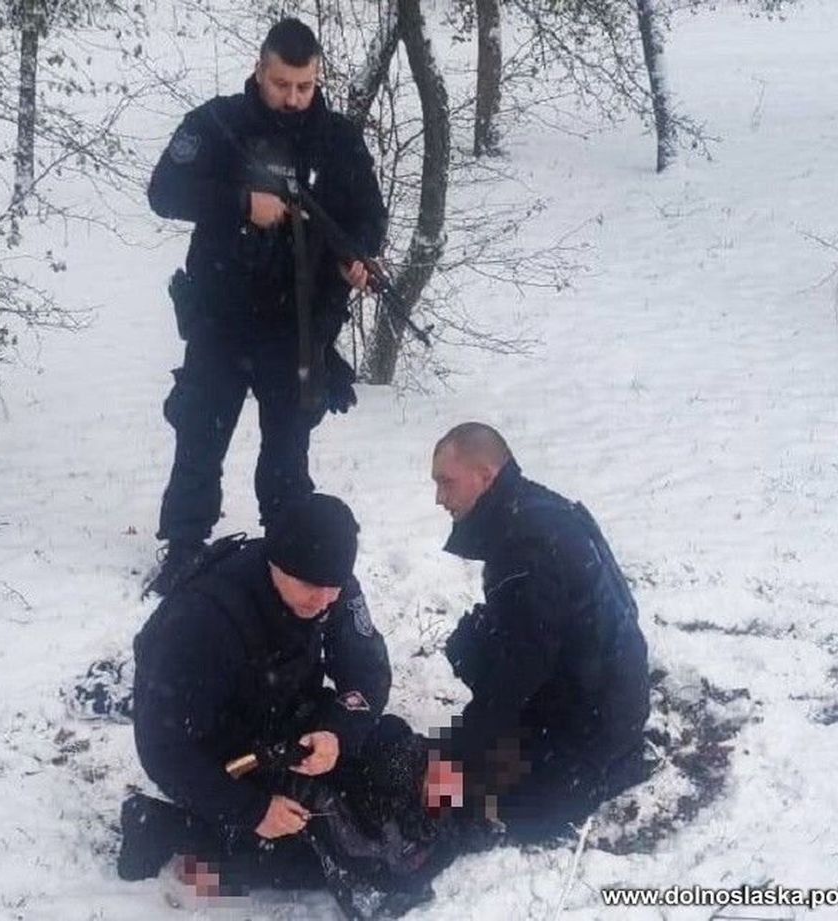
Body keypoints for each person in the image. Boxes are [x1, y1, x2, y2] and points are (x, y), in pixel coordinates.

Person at [146, 17, 388, 595]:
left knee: (288, 446)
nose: (293, 97)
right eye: (282, 84)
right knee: (200, 432)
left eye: (304, 86)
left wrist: (356, 259)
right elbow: (164, 193)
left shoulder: (338, 140)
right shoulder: (218, 123)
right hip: (222, 316)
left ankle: (288, 543)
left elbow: (366, 218)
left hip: (298, 324)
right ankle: (183, 546)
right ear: (261, 70)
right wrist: (239, 202)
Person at [119, 493, 439, 913]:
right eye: (310, 586)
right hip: (222, 753)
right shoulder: (201, 620)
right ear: (275, 562)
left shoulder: (328, 581)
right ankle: (165, 828)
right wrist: (251, 810)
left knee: (393, 756)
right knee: (307, 852)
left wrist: (336, 733)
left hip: (289, 718)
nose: (324, 600)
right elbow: (163, 750)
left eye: (334, 588)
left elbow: (368, 671)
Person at [428, 422, 651, 843]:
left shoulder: (527, 546)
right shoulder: (535, 506)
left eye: (446, 482)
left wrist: (460, 755)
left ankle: (610, 764)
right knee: (470, 645)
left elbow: (519, 672)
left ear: (485, 476)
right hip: (597, 680)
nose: (440, 498)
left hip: (599, 714)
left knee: (489, 804)